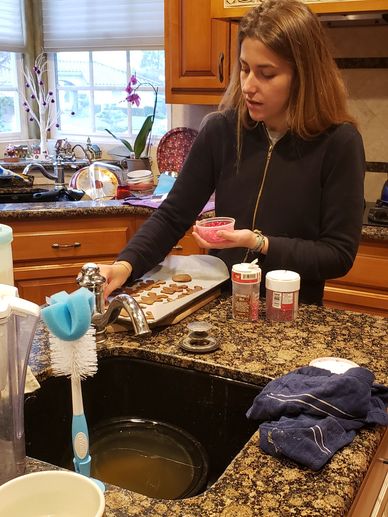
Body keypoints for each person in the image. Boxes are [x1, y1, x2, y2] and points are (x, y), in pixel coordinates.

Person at [99, 0, 365, 305]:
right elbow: (173, 215)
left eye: (266, 74)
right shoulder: (221, 130)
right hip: (224, 305)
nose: (249, 85)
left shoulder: (339, 142)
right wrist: (125, 264)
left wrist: (259, 243)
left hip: (293, 312)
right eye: (245, 68)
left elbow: (338, 255)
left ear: (302, 76)